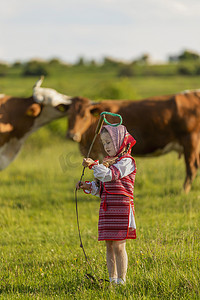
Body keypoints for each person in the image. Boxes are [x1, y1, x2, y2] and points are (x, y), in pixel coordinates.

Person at [76, 124, 137, 285]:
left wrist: (93, 165)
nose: (107, 147)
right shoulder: (108, 162)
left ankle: (121, 281)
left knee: (118, 245)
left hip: (121, 208)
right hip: (107, 207)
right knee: (109, 245)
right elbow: (103, 188)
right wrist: (89, 186)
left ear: (120, 141)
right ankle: (112, 280)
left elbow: (111, 176)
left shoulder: (127, 162)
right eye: (104, 143)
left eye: (110, 142)